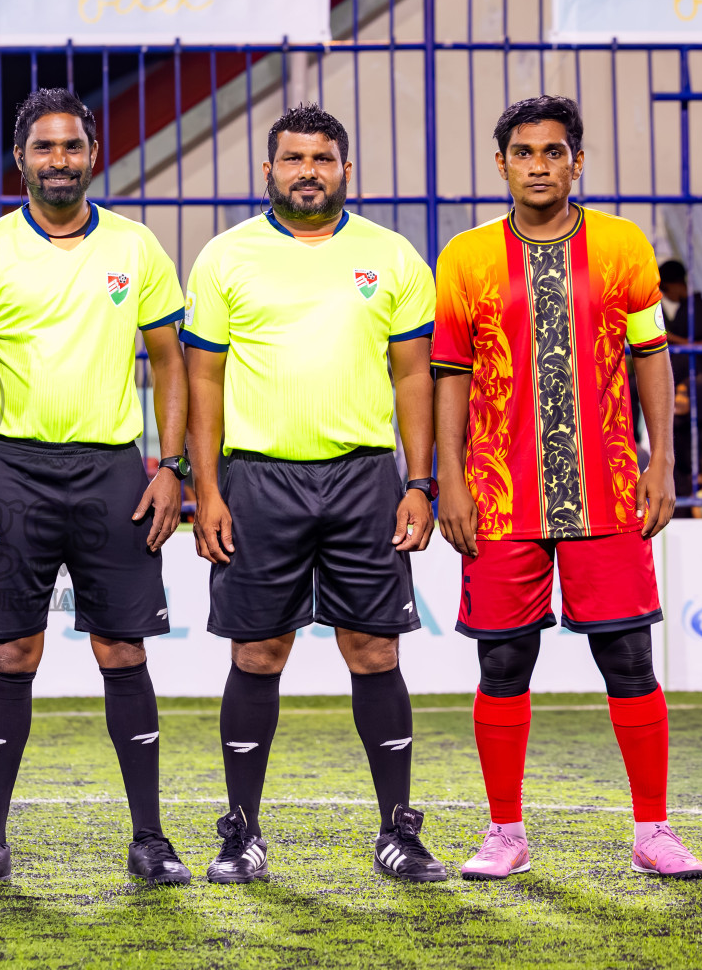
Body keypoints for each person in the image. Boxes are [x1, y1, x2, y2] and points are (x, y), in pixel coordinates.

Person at [433, 95, 702, 880]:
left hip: (609, 493)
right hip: (498, 497)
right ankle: (504, 834)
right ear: (502, 165)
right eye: (523, 152)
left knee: (629, 660)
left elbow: (650, 355)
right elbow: (450, 373)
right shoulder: (465, 257)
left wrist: (661, 461)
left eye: (554, 152)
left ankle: (653, 832)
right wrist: (450, 478)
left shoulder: (622, 246)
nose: (539, 165)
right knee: (502, 665)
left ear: (576, 162)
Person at [183, 103, 444, 885]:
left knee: (375, 649)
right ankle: (242, 830)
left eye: (323, 159)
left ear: (345, 170)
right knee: (258, 652)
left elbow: (413, 376)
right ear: (268, 170)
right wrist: (207, 490)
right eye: (294, 159)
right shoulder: (226, 257)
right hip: (258, 479)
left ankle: (398, 830)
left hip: (364, 478)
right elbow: (203, 381)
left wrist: (420, 482)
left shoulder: (391, 256)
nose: (309, 172)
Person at [0, 88, 193, 888]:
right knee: (13, 651)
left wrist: (173, 467)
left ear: (92, 155)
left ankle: (150, 839)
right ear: (21, 158)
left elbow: (170, 363)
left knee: (123, 647)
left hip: (112, 470)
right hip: (11, 470)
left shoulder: (136, 245)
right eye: (44, 147)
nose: (60, 159)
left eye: (72, 146)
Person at [659, 260, 702, 387]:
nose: (665, 294)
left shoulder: (696, 307)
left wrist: (670, 338)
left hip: (692, 368)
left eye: (665, 288)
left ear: (677, 283)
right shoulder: (683, 308)